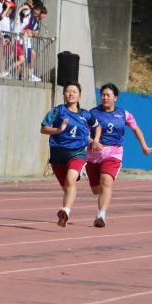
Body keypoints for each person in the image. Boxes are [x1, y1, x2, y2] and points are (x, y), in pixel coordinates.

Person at [87, 83, 152, 227]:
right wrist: (92, 141)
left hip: (114, 153)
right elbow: (83, 131)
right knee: (96, 189)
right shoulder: (92, 113)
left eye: (108, 95)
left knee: (106, 182)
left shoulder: (124, 114)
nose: (105, 98)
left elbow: (136, 129)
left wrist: (144, 146)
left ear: (115, 97)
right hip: (94, 154)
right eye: (103, 95)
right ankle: (102, 196)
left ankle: (101, 215)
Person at [41, 83, 92, 227]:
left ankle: (65, 211)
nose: (71, 94)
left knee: (70, 180)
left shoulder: (85, 115)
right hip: (58, 154)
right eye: (68, 91)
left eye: (74, 91)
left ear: (79, 95)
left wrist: (94, 141)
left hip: (77, 153)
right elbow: (43, 129)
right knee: (67, 187)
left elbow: (97, 126)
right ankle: (65, 214)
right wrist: (58, 130)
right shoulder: (57, 111)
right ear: (63, 94)